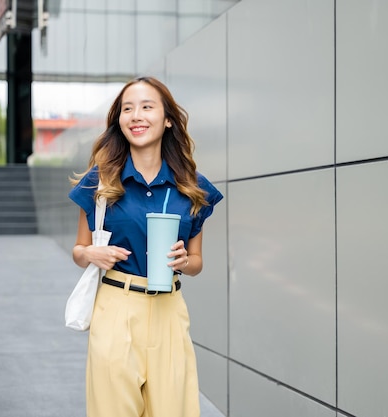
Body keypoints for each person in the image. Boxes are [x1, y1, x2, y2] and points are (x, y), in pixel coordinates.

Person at [68, 76, 223, 417]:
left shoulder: (192, 187)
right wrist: (91, 253)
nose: (136, 115)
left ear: (168, 118)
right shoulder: (100, 182)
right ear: (119, 120)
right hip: (115, 308)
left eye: (146, 107)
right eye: (127, 109)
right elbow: (79, 250)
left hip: (169, 310)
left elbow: (197, 262)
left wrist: (184, 261)